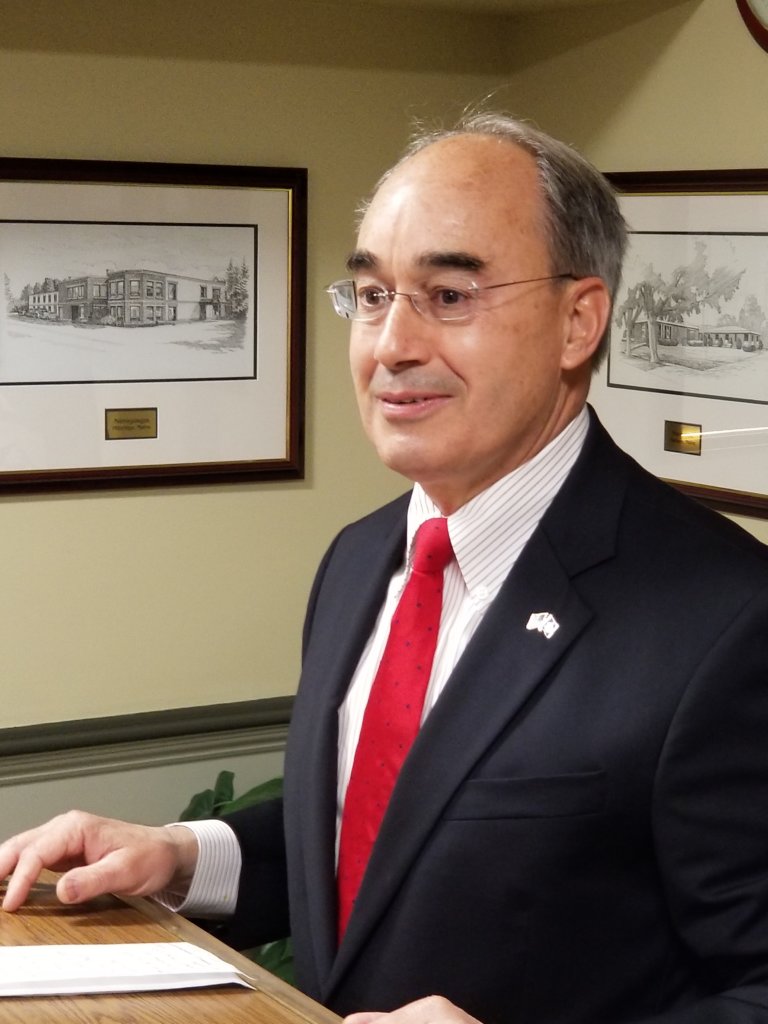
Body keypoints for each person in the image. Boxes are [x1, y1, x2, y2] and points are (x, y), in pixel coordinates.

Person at [3, 112, 768, 1024]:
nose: (391, 346)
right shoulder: (362, 556)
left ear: (578, 322)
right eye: (372, 295)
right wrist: (181, 856)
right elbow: (383, 850)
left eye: (448, 295)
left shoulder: (728, 619)